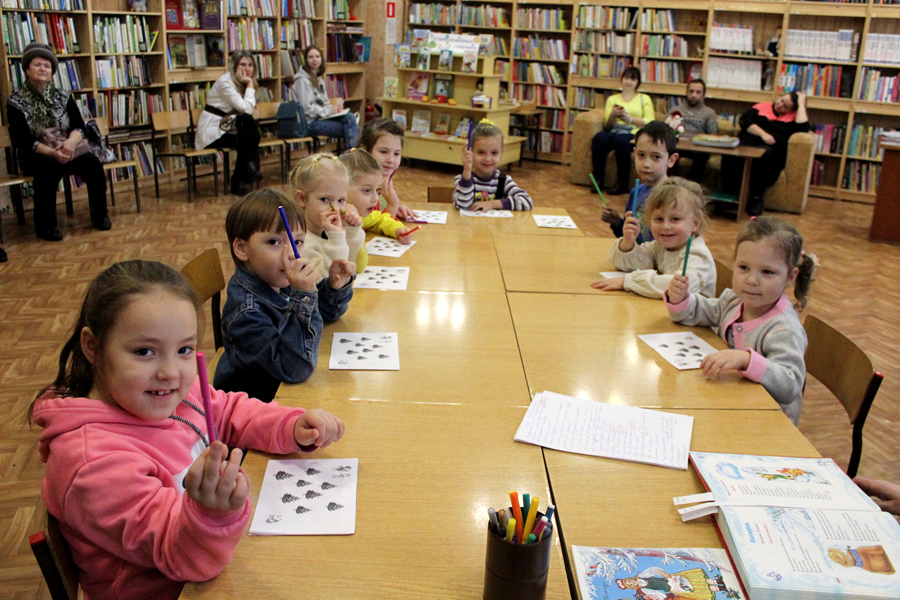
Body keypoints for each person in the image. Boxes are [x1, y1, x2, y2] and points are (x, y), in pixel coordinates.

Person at [31, 260, 345, 600]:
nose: (170, 372)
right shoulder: (93, 464)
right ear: (93, 347)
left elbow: (228, 411)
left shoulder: (165, 393)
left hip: (214, 560)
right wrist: (212, 513)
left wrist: (289, 425)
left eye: (184, 350)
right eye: (144, 351)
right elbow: (179, 553)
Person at [665, 216, 817, 425]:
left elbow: (789, 385)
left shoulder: (784, 329)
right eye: (744, 267)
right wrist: (681, 300)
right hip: (728, 403)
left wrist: (746, 360)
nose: (752, 280)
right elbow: (701, 312)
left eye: (767, 272)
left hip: (765, 424)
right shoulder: (734, 300)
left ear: (790, 277)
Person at [213, 189, 354, 402]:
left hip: (285, 396)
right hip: (258, 407)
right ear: (242, 248)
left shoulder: (275, 278)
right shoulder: (245, 312)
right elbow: (295, 368)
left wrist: (335, 288)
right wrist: (303, 297)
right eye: (274, 242)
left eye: (298, 242)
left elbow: (324, 314)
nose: (291, 254)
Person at [7, 42, 110, 241]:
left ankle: (100, 216)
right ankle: (46, 226)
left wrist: (70, 144)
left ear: (52, 72)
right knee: (48, 166)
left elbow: (80, 126)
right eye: (37, 64)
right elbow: (23, 140)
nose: (42, 69)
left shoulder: (63, 96)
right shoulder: (15, 102)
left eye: (47, 66)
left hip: (67, 149)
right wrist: (52, 152)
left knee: (92, 163)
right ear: (27, 69)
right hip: (35, 154)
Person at [597, 177, 716, 299]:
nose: (665, 226)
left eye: (675, 219)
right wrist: (628, 242)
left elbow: (676, 286)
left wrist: (627, 281)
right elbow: (633, 264)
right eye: (659, 219)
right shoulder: (659, 246)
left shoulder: (698, 255)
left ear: (695, 223)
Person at [723, 91, 810, 216]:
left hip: (771, 149)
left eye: (785, 106)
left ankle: (756, 198)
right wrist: (763, 134)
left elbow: (803, 129)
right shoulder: (762, 107)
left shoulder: (793, 118)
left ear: (792, 110)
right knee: (731, 152)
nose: (780, 105)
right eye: (781, 100)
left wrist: (801, 104)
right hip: (748, 141)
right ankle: (728, 194)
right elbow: (745, 121)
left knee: (766, 157)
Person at [597, 121, 679, 246]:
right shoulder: (636, 192)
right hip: (637, 257)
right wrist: (617, 222)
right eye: (641, 155)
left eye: (656, 157)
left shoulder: (675, 196)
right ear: (634, 153)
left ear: (671, 160)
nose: (646, 164)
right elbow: (629, 237)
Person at [338, 148, 416, 274]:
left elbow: (380, 219)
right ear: (341, 189)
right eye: (367, 190)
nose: (375, 199)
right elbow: (359, 266)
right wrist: (353, 229)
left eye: (377, 190)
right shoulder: (331, 220)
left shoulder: (360, 215)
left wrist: (397, 229)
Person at [196, 50, 261, 195]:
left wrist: (249, 84)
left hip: (228, 127)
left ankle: (241, 177)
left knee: (250, 133)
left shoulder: (242, 83)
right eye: (242, 64)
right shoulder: (225, 82)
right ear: (234, 66)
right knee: (248, 132)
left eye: (250, 65)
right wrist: (250, 83)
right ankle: (242, 176)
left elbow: (246, 111)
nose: (247, 68)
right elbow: (246, 109)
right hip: (212, 131)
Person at [291, 153, 364, 283]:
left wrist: (351, 232)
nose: (335, 209)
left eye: (341, 200)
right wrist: (336, 238)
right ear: (302, 199)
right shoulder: (301, 242)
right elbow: (325, 283)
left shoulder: (326, 232)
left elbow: (351, 268)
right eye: (325, 199)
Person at [590, 66, 655, 195]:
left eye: (632, 79)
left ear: (637, 83)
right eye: (626, 78)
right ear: (622, 80)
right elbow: (608, 125)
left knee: (621, 141)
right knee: (599, 138)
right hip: (615, 131)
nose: (628, 82)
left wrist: (630, 119)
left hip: (633, 132)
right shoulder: (612, 99)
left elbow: (650, 122)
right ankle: (598, 179)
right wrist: (613, 115)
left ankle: (622, 183)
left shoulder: (644, 99)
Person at [453, 120, 533, 212]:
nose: (487, 159)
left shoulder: (504, 181)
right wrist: (467, 171)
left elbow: (527, 202)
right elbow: (462, 205)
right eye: (481, 152)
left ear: (501, 153)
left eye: (494, 153)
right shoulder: (462, 180)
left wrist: (492, 204)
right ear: (471, 152)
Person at [291, 45, 359, 152]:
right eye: (311, 57)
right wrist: (329, 111)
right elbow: (307, 109)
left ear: (321, 59)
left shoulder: (319, 80)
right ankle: (349, 154)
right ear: (306, 60)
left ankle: (348, 153)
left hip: (321, 118)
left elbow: (324, 102)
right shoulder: (302, 81)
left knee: (350, 117)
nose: (314, 60)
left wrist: (334, 109)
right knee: (353, 129)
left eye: (317, 56)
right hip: (309, 123)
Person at [356, 117, 417, 220]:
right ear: (364, 150)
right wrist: (392, 205)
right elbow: (371, 224)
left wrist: (397, 207)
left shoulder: (382, 177)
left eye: (396, 154)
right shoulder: (358, 184)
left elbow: (378, 210)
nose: (391, 160)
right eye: (383, 152)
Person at [668, 78, 718, 182]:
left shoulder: (709, 113)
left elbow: (713, 135)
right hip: (678, 145)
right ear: (686, 93)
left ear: (703, 95)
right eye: (691, 91)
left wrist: (697, 139)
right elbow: (667, 131)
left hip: (698, 147)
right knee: (668, 151)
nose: (694, 95)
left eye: (698, 92)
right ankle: (672, 183)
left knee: (703, 155)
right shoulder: (676, 110)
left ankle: (692, 185)